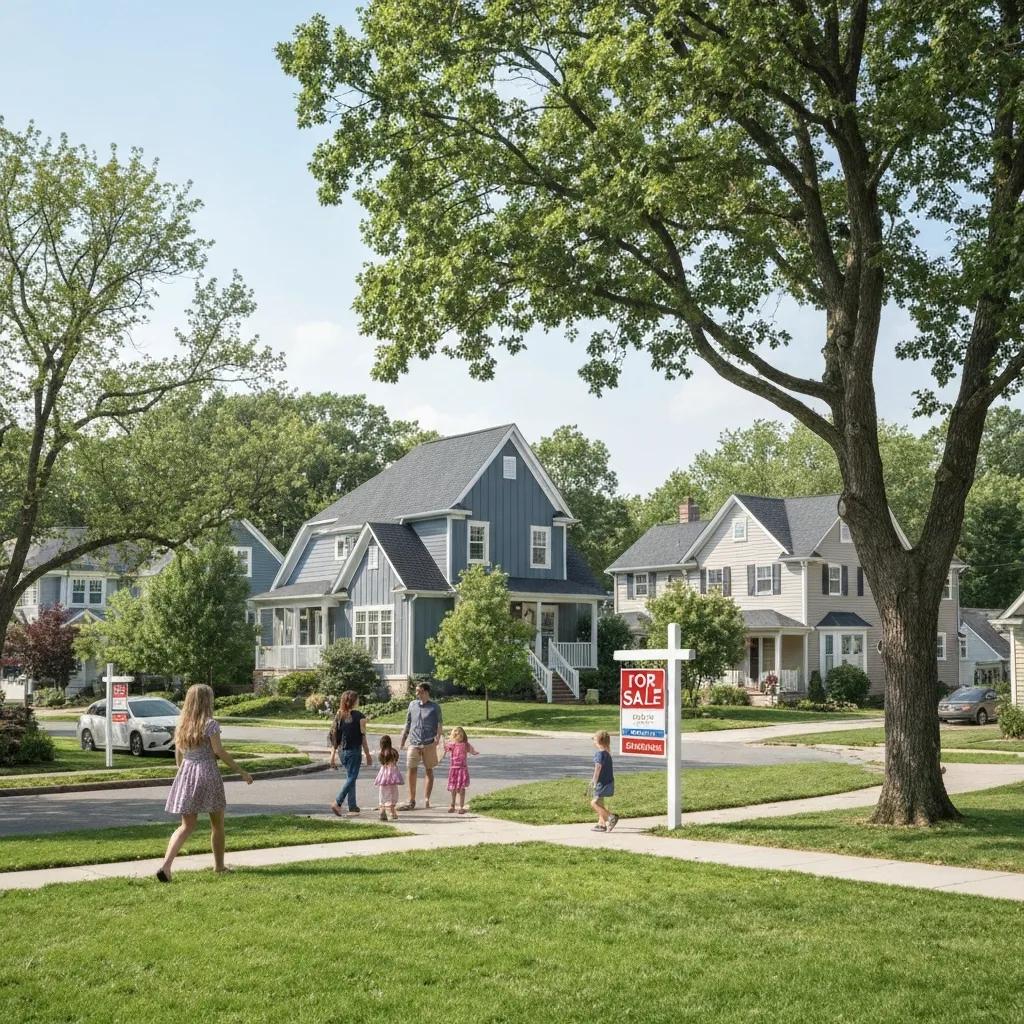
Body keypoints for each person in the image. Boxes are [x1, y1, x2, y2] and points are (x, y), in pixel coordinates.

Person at [157, 683, 253, 882]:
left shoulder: (182, 724)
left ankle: (166, 866)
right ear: (206, 701)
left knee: (186, 825)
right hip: (207, 772)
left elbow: (178, 757)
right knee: (217, 824)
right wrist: (241, 772)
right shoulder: (210, 724)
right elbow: (219, 751)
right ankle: (219, 867)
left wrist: (184, 773)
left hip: (186, 773)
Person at [398, 681, 443, 810]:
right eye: (417, 691)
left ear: (426, 692)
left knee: (429, 769)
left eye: (420, 691)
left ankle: (427, 799)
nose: (417, 693)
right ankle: (411, 799)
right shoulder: (412, 705)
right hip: (414, 743)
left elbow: (439, 724)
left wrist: (438, 738)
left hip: (429, 743)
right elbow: (407, 723)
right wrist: (403, 741)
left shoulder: (435, 707)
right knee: (411, 769)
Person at [329, 690, 373, 816]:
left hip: (342, 751)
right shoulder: (360, 716)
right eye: (357, 699)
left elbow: (334, 736)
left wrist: (332, 756)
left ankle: (352, 806)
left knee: (350, 777)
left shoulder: (339, 715)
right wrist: (368, 755)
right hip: (354, 751)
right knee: (352, 777)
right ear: (354, 701)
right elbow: (363, 737)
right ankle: (338, 802)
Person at [441, 726, 479, 814]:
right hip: (454, 769)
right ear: (453, 736)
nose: (459, 736)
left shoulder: (466, 744)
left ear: (463, 735)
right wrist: (442, 741)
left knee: (462, 789)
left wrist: (474, 752)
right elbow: (445, 749)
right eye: (457, 734)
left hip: (462, 769)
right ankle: (453, 805)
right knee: (453, 788)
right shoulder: (452, 744)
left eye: (461, 734)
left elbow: (471, 750)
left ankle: (461, 807)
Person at [589, 730, 618, 833]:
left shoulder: (599, 754)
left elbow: (598, 768)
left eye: (594, 739)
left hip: (601, 784)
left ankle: (611, 817)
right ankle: (601, 824)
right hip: (609, 782)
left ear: (598, 741)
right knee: (600, 803)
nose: (593, 741)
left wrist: (594, 781)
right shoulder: (607, 754)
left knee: (594, 803)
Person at [373, 734, 403, 821]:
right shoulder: (393, 752)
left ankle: (382, 809)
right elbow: (396, 759)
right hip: (392, 775)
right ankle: (392, 812)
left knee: (382, 792)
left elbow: (381, 762)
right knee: (393, 792)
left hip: (384, 775)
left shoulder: (381, 754)